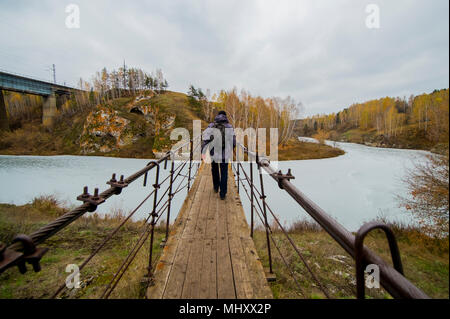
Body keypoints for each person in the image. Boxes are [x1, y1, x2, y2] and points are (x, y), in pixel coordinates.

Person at [201, 111, 236, 200]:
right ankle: (223, 193)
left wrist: (203, 152)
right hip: (225, 154)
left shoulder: (211, 125)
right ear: (225, 116)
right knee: (224, 172)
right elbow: (233, 142)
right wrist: (231, 149)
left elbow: (205, 140)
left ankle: (216, 187)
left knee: (215, 170)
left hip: (214, 153)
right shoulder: (229, 127)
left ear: (217, 116)